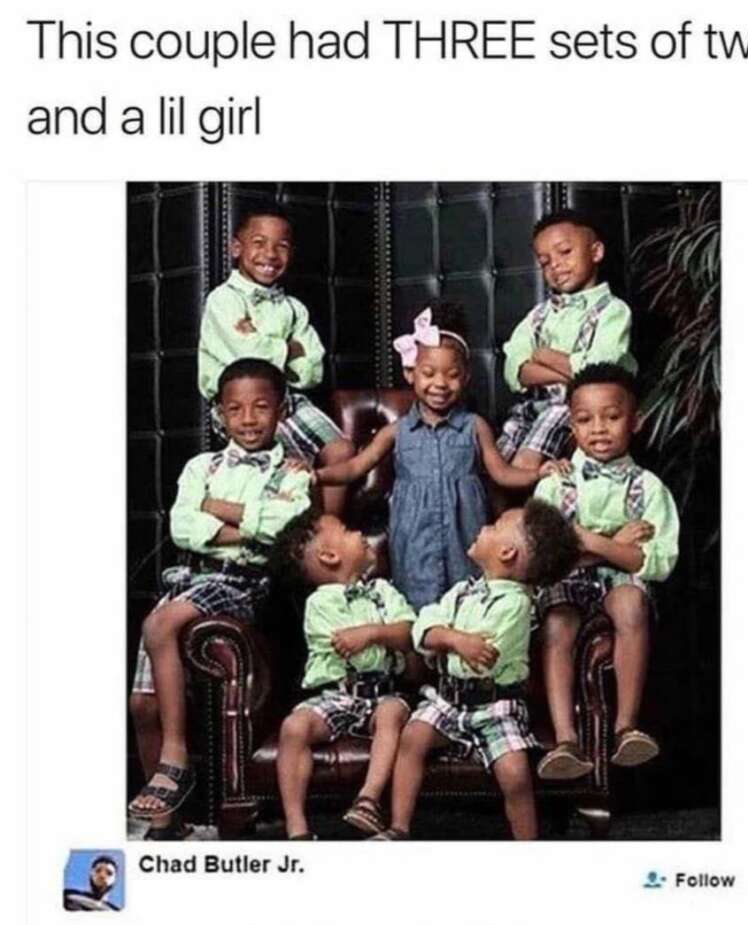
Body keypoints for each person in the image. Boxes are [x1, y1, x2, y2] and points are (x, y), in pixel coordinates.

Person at [128, 359, 312, 833]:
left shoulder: (294, 474)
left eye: (261, 407)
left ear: (282, 409)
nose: (248, 419)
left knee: (159, 625)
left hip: (243, 583)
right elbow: (182, 527)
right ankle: (167, 823)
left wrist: (217, 513)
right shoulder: (200, 466)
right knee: (142, 705)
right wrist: (248, 524)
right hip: (187, 580)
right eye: (236, 410)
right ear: (220, 414)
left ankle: (175, 758)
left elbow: (285, 530)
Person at [316, 301, 544, 610]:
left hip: (466, 529)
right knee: (416, 607)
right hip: (414, 534)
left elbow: (501, 473)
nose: (439, 383)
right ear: (411, 374)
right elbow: (355, 467)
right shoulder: (396, 432)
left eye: (451, 375)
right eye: (429, 373)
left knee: (467, 604)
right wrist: (317, 475)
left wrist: (538, 474)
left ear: (465, 378)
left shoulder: (475, 427)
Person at [372, 500, 579, 841]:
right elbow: (423, 626)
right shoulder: (463, 590)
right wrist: (450, 637)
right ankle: (398, 827)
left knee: (514, 773)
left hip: (496, 706)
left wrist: (445, 638)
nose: (484, 527)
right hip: (449, 699)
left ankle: (527, 842)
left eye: (495, 526)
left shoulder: (516, 604)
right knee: (413, 737)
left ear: (507, 552)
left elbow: (481, 655)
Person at [533, 362, 679, 780]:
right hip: (566, 581)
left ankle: (626, 727)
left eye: (612, 417)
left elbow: (657, 562)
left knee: (631, 602)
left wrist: (586, 542)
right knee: (558, 622)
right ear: (572, 427)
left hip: (620, 585)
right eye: (584, 419)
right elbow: (545, 560)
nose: (598, 428)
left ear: (635, 421)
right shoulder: (554, 485)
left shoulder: (649, 487)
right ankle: (565, 741)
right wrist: (614, 543)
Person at [269, 509, 417, 839]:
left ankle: (369, 799)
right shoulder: (319, 604)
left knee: (392, 713)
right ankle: (297, 828)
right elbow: (347, 646)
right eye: (349, 529)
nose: (360, 534)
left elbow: (408, 633)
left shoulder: (385, 590)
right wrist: (382, 633)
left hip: (384, 693)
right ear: (330, 556)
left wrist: (372, 634)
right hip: (338, 694)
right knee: (294, 727)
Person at [198, 207, 354, 513]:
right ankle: (292, 539)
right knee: (290, 465)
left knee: (342, 450)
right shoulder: (223, 299)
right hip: (239, 403)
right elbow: (248, 359)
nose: (270, 254)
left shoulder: (294, 308)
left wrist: (268, 346)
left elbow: (312, 371)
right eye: (259, 242)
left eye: (281, 246)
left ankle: (326, 532)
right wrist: (289, 348)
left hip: (288, 398)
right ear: (236, 248)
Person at [497, 210, 636, 471]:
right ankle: (501, 511)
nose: (555, 265)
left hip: (579, 409)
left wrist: (543, 355)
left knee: (525, 462)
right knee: (495, 462)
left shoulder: (613, 311)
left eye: (565, 252)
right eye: (545, 262)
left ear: (595, 252)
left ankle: (530, 509)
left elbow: (596, 370)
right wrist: (565, 372)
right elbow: (514, 370)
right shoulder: (539, 315)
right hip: (530, 406)